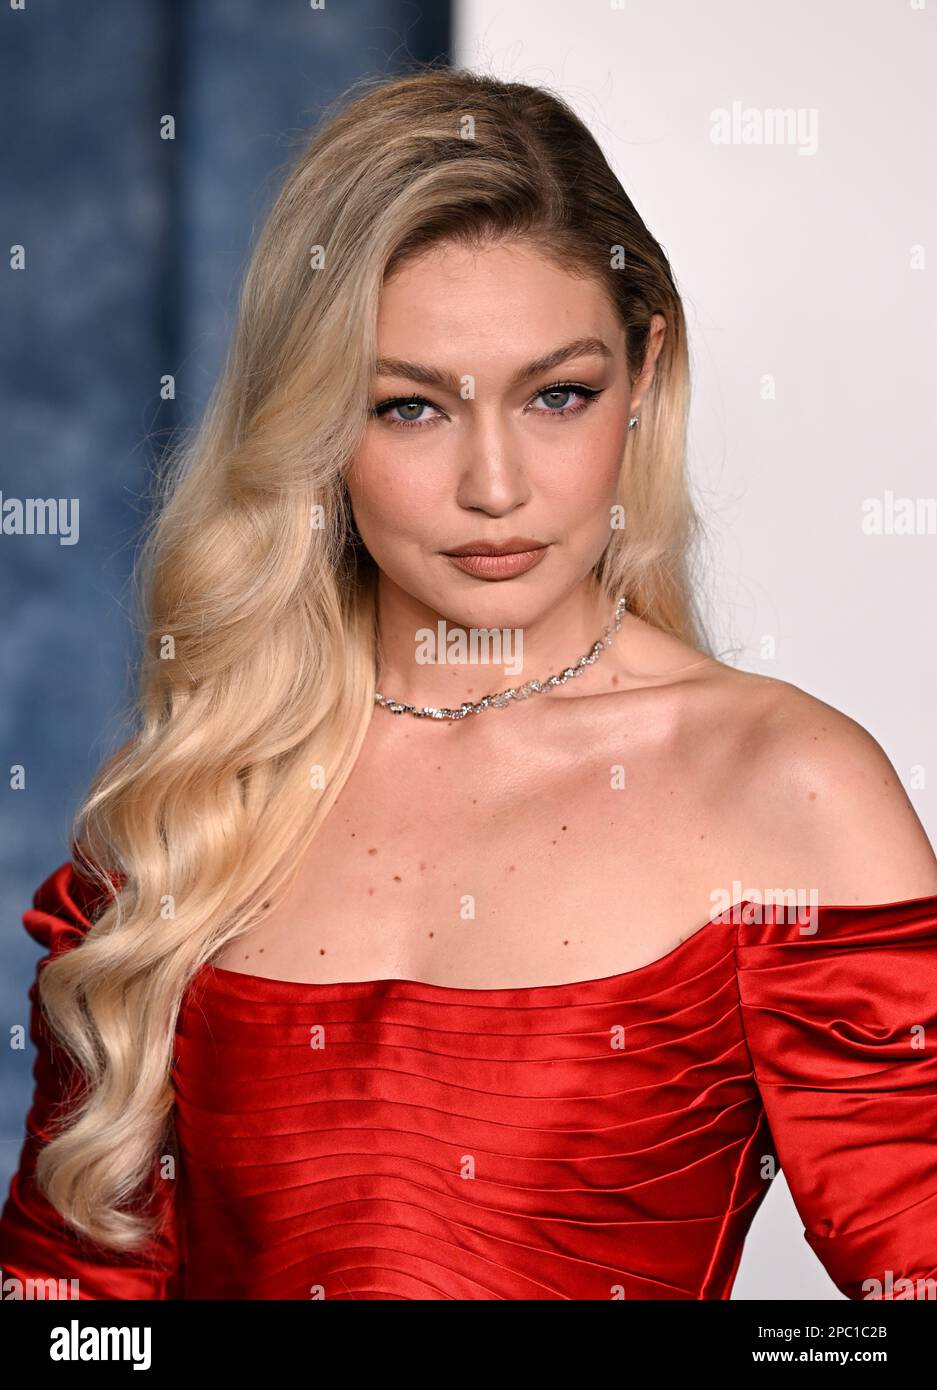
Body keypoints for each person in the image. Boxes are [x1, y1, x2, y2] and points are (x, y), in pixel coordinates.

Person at [1, 67, 935, 1302]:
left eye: (559, 394)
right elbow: (71, 1315)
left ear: (645, 371)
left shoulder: (787, 789)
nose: (495, 485)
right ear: (314, 419)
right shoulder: (189, 800)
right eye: (409, 408)